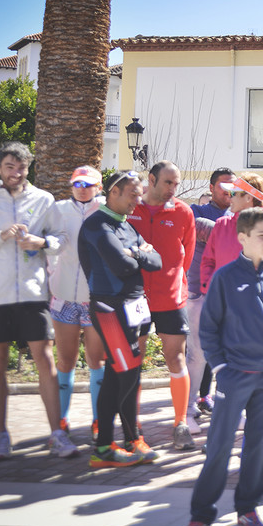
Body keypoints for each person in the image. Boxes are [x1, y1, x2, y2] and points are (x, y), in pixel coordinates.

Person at [0, 141, 75, 460]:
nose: (15, 173)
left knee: (45, 361)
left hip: (33, 295)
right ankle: (1, 436)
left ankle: (57, 435)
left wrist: (42, 241)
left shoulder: (43, 199)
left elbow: (61, 240)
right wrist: (0, 237)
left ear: (28, 168)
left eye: (21, 167)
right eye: (9, 166)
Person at [180, 207, 263, 526]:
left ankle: (247, 508)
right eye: (261, 235)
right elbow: (209, 329)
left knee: (259, 446)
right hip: (234, 375)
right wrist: (219, 367)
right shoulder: (225, 277)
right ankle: (201, 515)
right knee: (218, 447)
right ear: (242, 238)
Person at [78, 171, 162, 467]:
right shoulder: (97, 224)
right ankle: (102, 448)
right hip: (109, 308)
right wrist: (140, 254)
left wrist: (136, 253)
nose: (137, 201)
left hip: (135, 307)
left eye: (140, 195)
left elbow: (157, 262)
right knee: (124, 373)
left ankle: (131, 437)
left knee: (129, 374)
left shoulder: (125, 226)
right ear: (113, 192)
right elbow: (121, 265)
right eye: (132, 195)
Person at [128, 160, 196, 451]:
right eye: (167, 182)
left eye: (176, 184)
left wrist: (175, 282)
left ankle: (180, 423)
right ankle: (133, 424)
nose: (172, 189)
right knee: (134, 361)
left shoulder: (183, 212)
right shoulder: (131, 209)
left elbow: (188, 254)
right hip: (135, 298)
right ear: (151, 179)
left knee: (176, 358)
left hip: (170, 297)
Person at [46, 166, 106, 439]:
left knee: (96, 361)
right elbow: (49, 245)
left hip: (95, 299)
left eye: (88, 183)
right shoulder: (57, 209)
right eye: (77, 183)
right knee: (66, 361)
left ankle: (98, 420)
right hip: (64, 297)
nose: (82, 188)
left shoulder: (107, 209)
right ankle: (61, 419)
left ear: (99, 186)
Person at [187, 167, 235, 421]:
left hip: (228, 295)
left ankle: (212, 398)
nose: (229, 191)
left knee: (224, 352)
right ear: (212, 187)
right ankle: (191, 402)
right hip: (199, 292)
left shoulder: (237, 216)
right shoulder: (198, 211)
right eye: (224, 185)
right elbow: (196, 228)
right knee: (197, 352)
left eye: (233, 186)